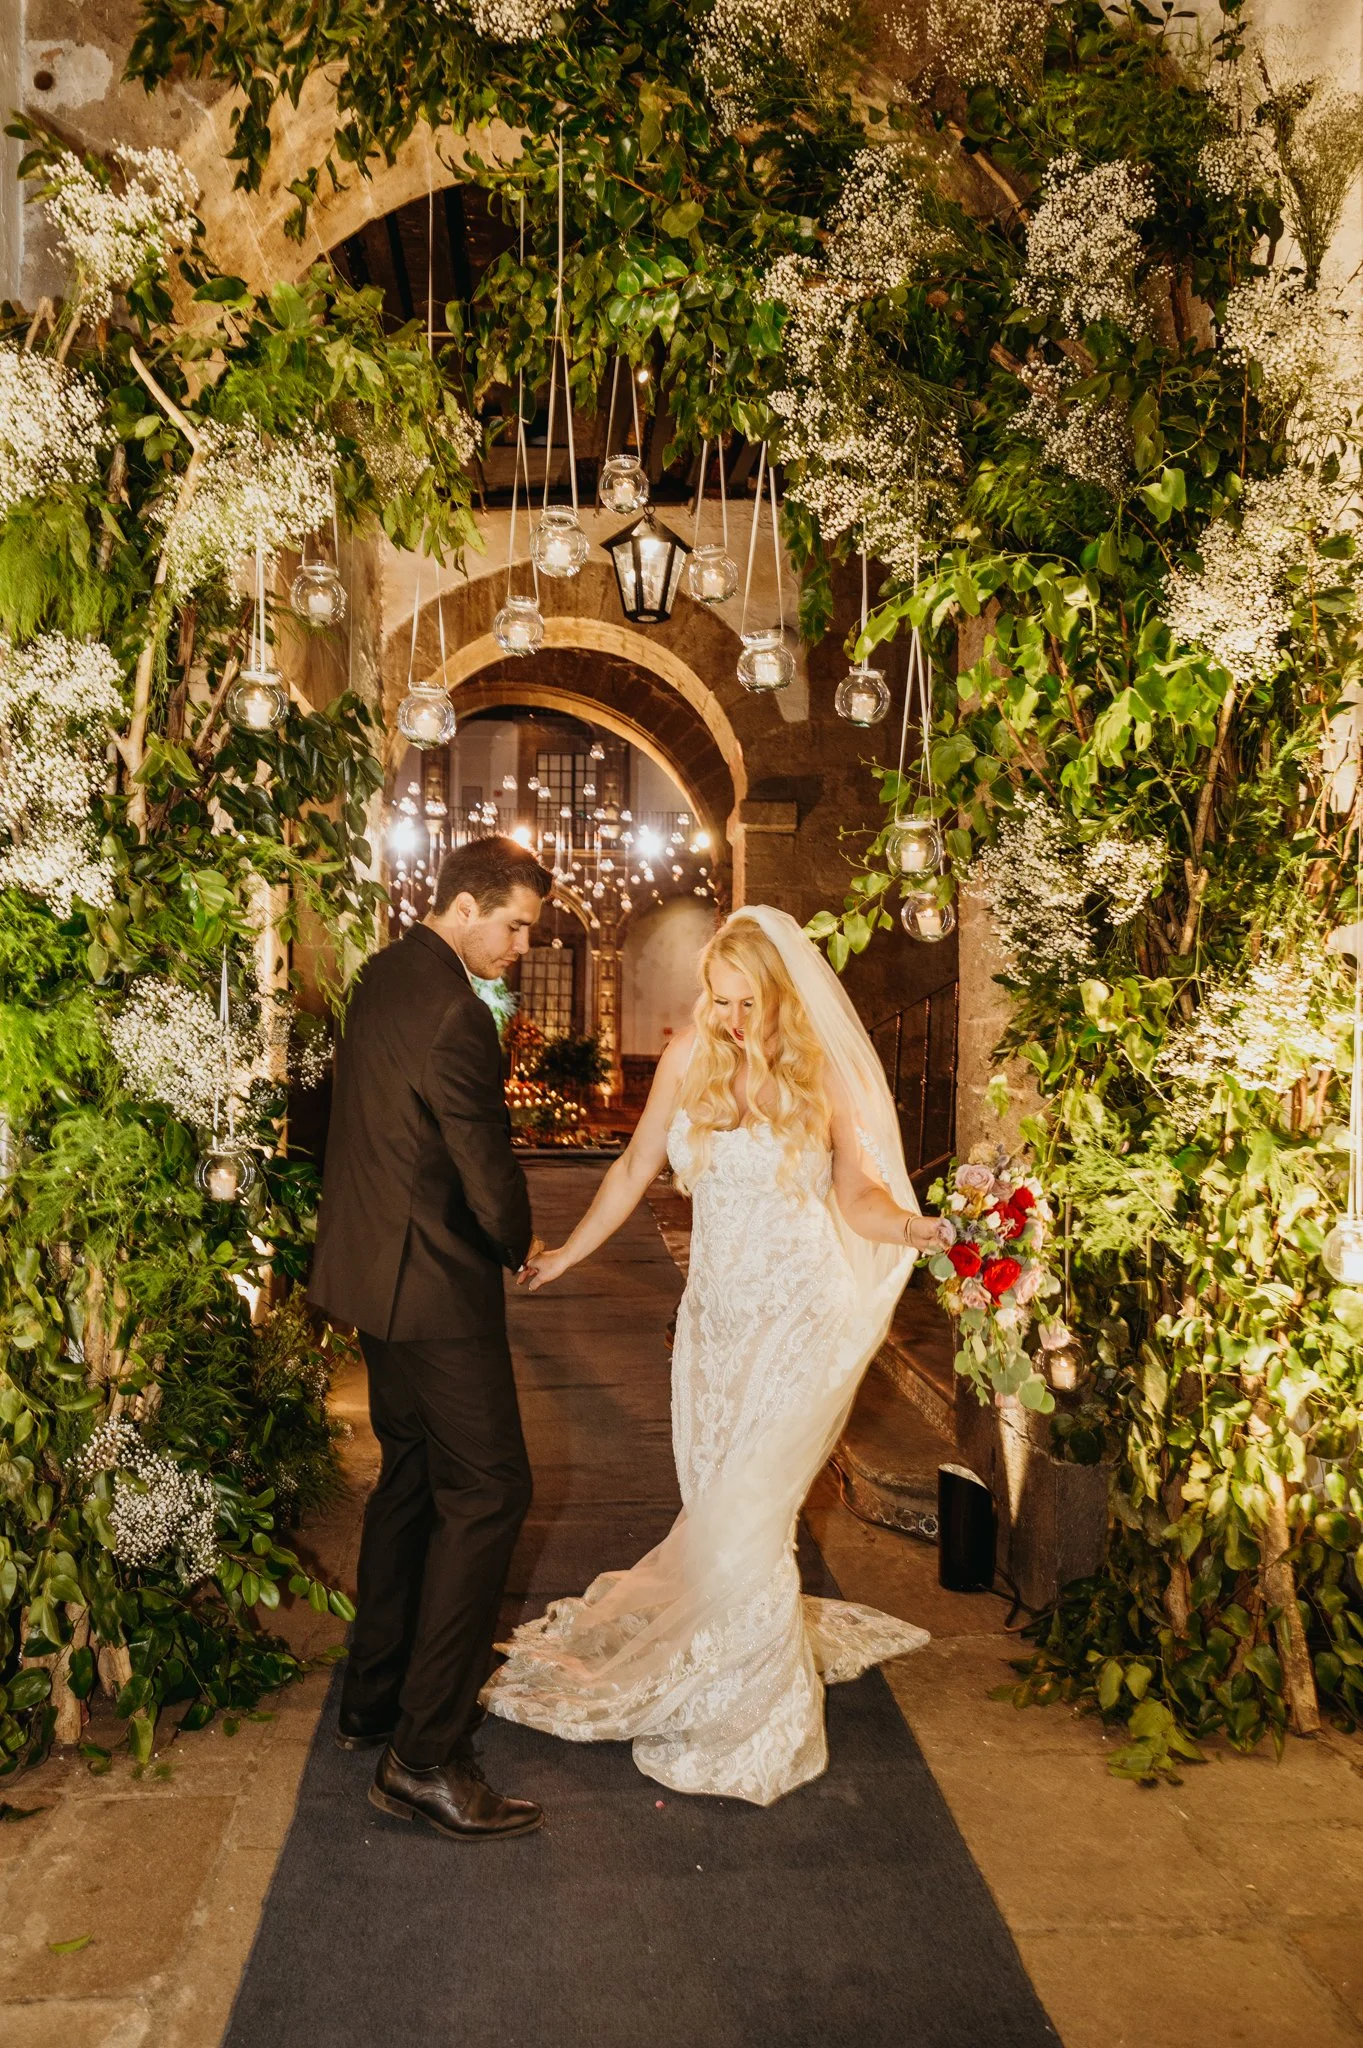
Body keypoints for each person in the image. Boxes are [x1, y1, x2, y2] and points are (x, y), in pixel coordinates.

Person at [483, 905, 952, 1806]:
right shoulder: (696, 1058)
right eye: (719, 999)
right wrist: (567, 1255)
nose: (731, 1019)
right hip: (715, 1321)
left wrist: (926, 1229)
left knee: (751, 1511)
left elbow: (857, 1198)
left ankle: (753, 1714)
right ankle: (716, 1653)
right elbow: (629, 1170)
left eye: (746, 1002)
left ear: (779, 997)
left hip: (798, 1316)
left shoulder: (823, 1079)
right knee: (712, 1493)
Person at [309, 834, 552, 1842]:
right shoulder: (457, 1008)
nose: (521, 944)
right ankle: (423, 1756)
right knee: (491, 1487)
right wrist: (517, 1241)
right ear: (461, 904)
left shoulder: (382, 974)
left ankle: (372, 1693)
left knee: (410, 1471)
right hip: (435, 1285)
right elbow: (480, 1159)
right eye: (514, 922)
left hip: (372, 1275)